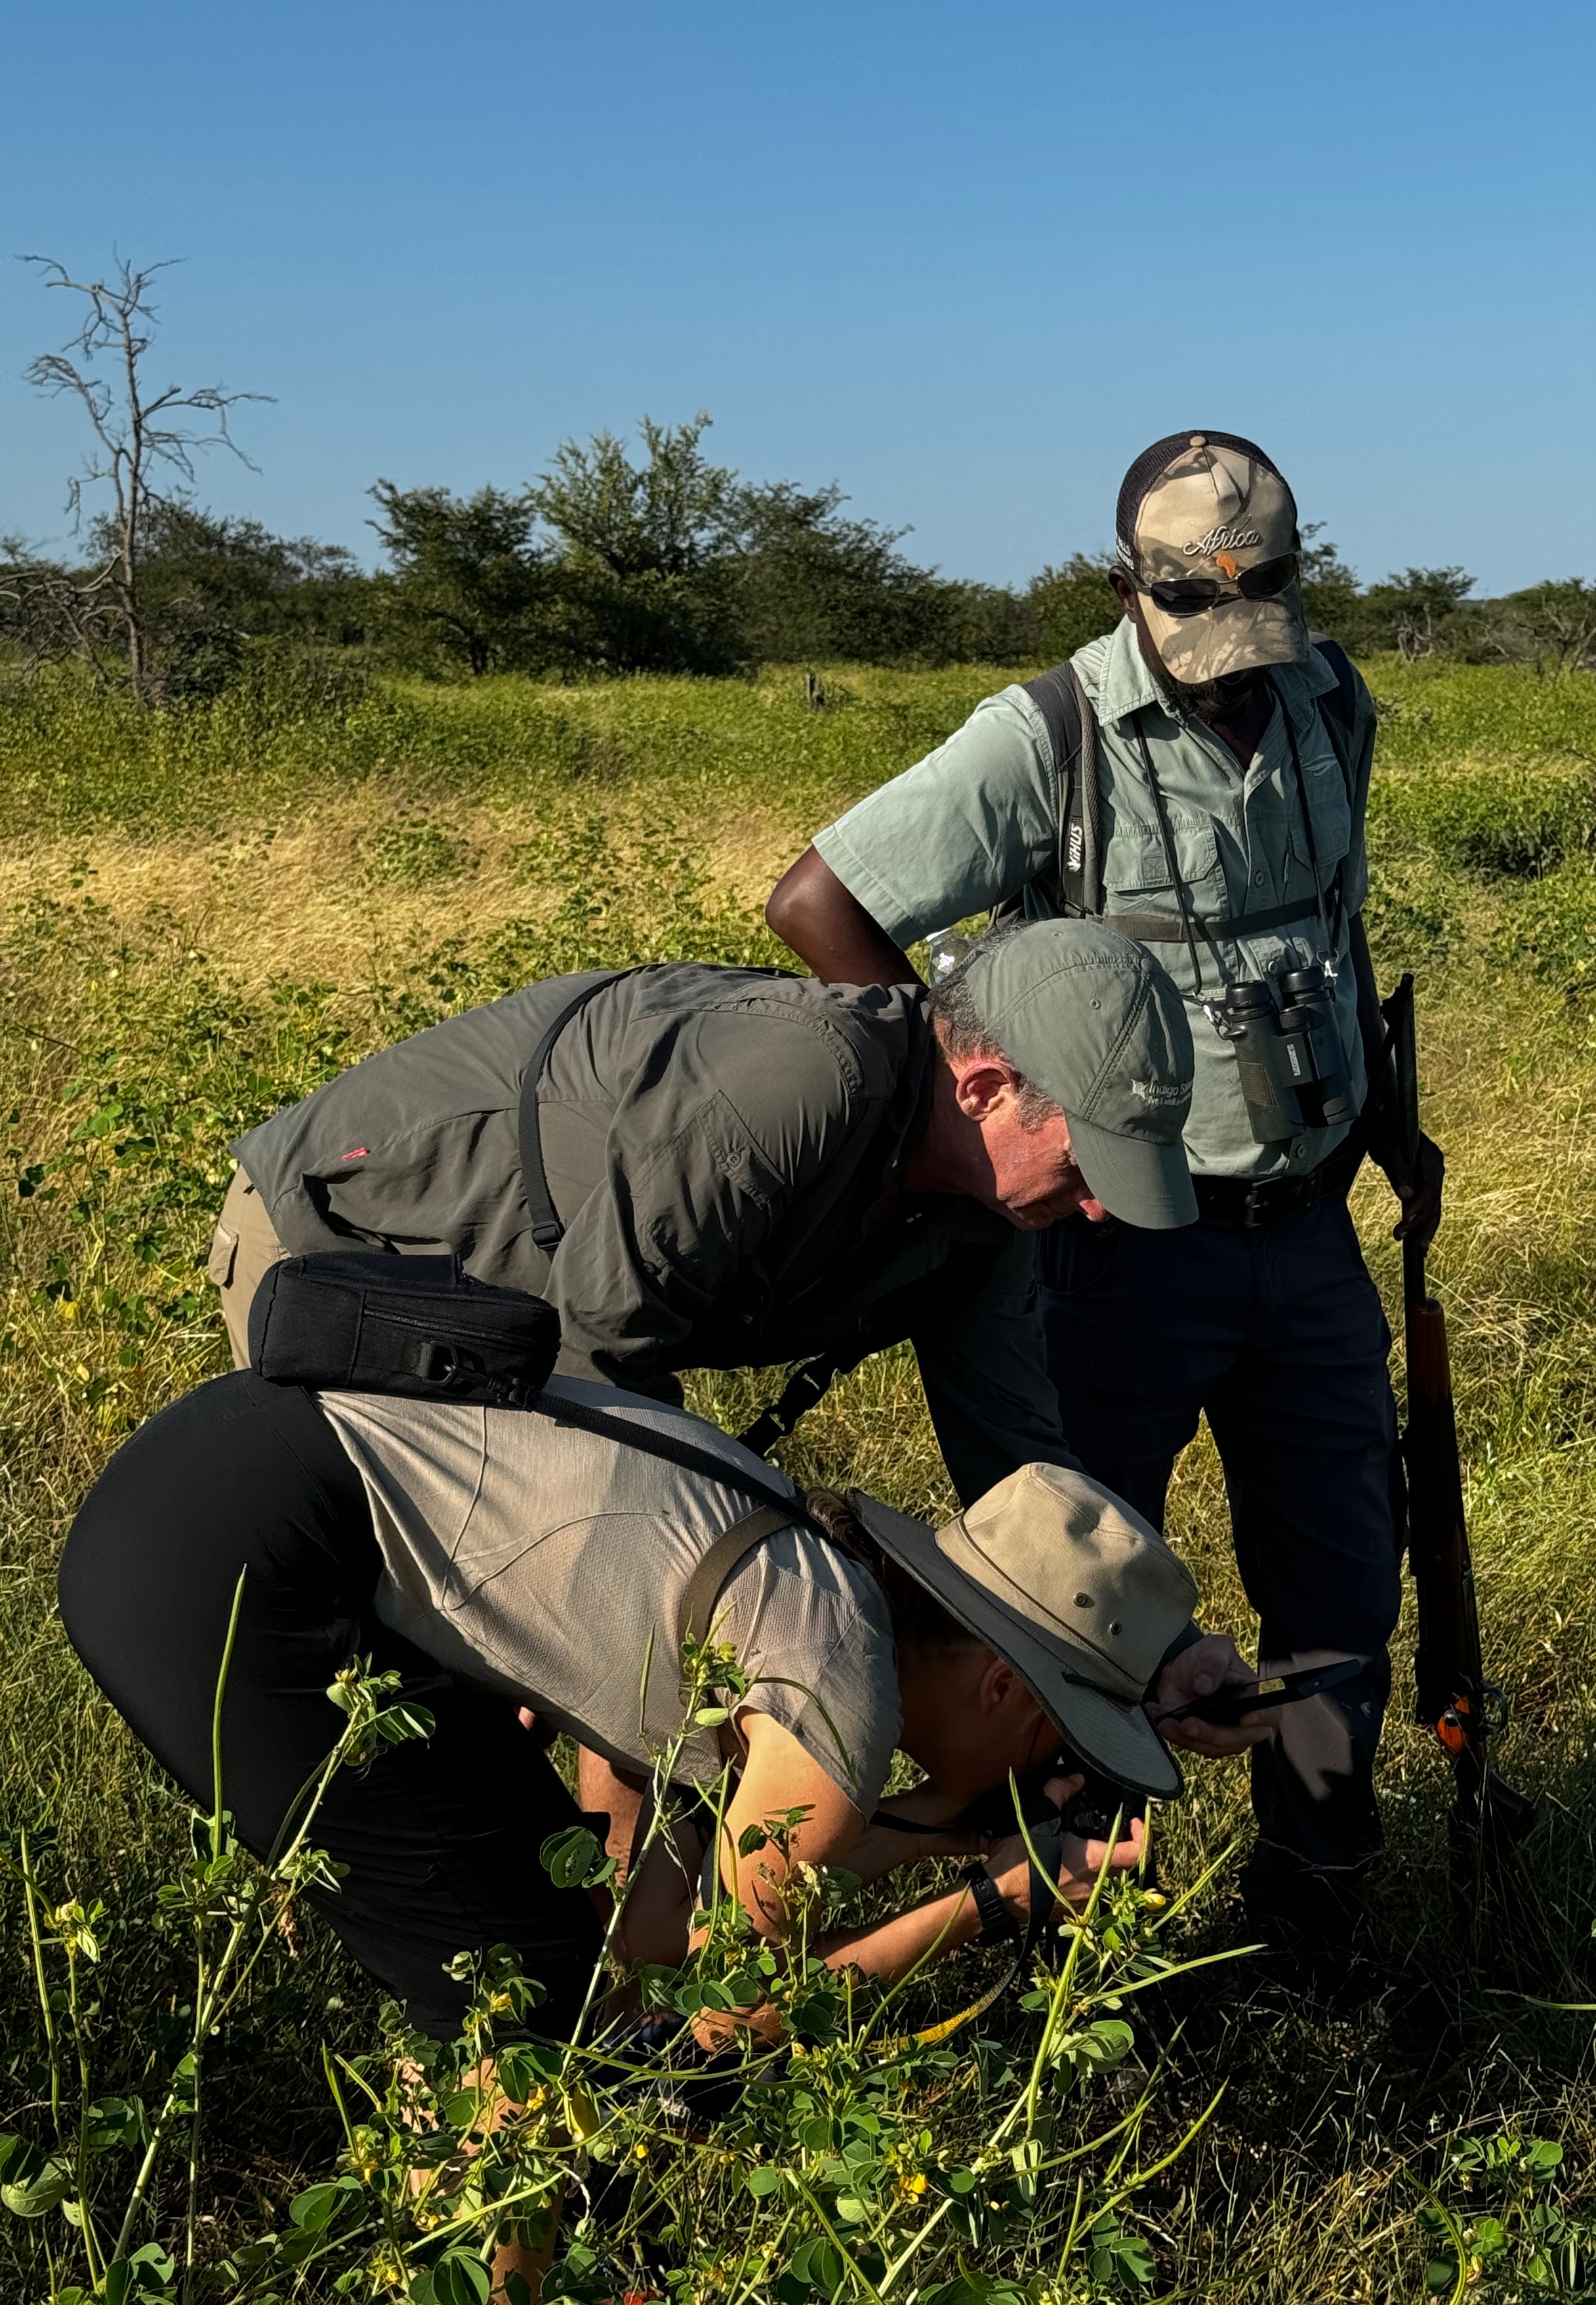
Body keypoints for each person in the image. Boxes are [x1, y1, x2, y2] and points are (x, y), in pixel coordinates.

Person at [767, 430, 1444, 1993]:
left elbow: (1332, 929)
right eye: (1196, 616)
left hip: (1309, 1228)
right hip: (1111, 1248)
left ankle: (1312, 1926)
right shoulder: (1048, 738)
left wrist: (1382, 1116)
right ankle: (1053, 1954)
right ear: (1126, 587)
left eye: (1257, 615)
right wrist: (969, 1115)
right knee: (1069, 1624)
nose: (1232, 663)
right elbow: (820, 903)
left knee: (1343, 1591)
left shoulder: (1332, 702)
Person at [57, 1367, 1195, 2055]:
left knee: (535, 1941)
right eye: (1054, 1739)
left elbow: (649, 1938)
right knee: (520, 2010)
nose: (1038, 1768)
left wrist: (947, 1821)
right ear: (1000, 1685)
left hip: (218, 1467)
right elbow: (716, 2018)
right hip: (234, 1569)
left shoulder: (816, 1592)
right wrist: (994, 1900)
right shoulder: (838, 1695)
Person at [208, 921, 1196, 1512]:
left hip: (521, 1330)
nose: (1097, 1207)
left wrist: (1146, 1645)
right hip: (344, 1255)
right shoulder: (800, 1084)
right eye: (1086, 1164)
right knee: (425, 1650)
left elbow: (1018, 1463)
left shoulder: (993, 1214)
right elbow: (595, 1362)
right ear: (984, 1089)